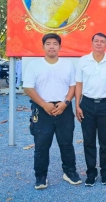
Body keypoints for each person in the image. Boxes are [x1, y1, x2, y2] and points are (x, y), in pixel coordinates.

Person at [23, 33, 81, 190]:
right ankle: (40, 177)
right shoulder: (34, 65)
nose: (51, 46)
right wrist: (44, 104)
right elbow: (28, 87)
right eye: (48, 43)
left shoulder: (68, 64)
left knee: (66, 143)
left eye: (55, 43)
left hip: (64, 108)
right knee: (41, 145)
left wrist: (65, 102)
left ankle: (69, 172)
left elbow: (72, 86)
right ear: (43, 46)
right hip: (42, 110)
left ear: (60, 47)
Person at [75, 33, 106, 187]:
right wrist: (77, 105)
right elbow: (79, 83)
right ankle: (91, 173)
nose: (99, 44)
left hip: (105, 104)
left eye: (102, 41)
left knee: (104, 141)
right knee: (89, 141)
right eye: (96, 41)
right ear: (91, 43)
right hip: (87, 104)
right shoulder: (83, 61)